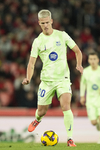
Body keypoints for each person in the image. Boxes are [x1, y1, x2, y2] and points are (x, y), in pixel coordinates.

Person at [22, 9, 83, 147]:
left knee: (66, 105)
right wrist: (28, 78)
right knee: (42, 111)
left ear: (52, 21)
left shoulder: (62, 35)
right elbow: (31, 63)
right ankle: (37, 119)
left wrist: (79, 64)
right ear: (39, 23)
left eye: (47, 22)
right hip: (47, 81)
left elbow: (78, 51)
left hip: (63, 79)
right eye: (42, 23)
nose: (45, 25)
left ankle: (70, 138)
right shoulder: (37, 41)